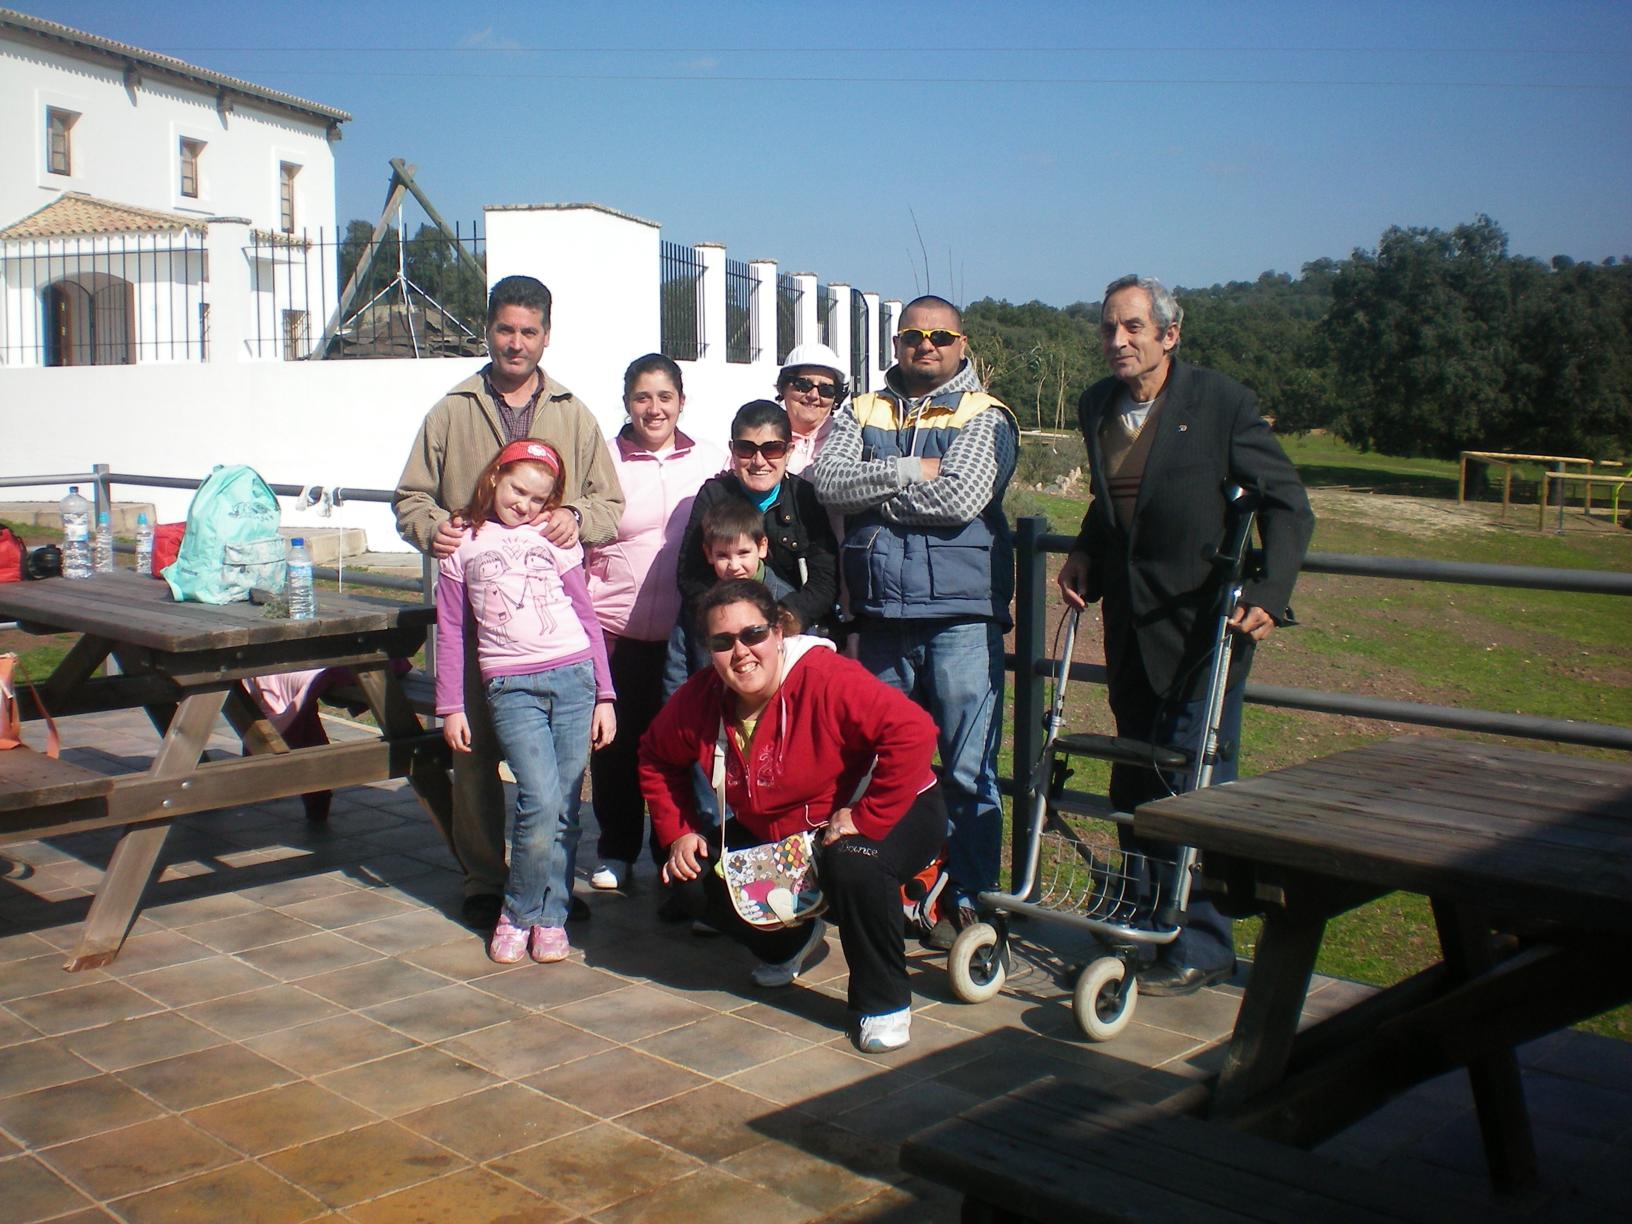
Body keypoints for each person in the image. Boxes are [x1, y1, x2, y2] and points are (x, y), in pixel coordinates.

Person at [1056, 274, 1314, 997]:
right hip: (1131, 627)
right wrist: (1084, 550)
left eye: (1134, 328)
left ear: (1170, 335)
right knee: (1134, 772)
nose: (1119, 341)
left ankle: (1202, 940)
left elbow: (1288, 502)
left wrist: (1271, 590)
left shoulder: (1219, 401)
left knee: (1196, 780)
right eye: (1109, 328)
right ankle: (1141, 913)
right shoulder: (1098, 406)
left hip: (1207, 630)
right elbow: (1114, 511)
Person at [394, 274, 624, 932]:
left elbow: (608, 502)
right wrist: (429, 526)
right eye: (504, 329)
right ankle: (484, 881)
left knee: (553, 770)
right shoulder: (451, 410)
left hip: (552, 634)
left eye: (528, 331)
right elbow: (411, 495)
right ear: (487, 329)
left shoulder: (574, 412)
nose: (515, 343)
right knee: (475, 758)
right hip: (476, 622)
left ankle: (548, 885)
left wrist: (576, 516)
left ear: (546, 335)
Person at [639, 579, 945, 1053]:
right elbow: (655, 757)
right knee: (693, 878)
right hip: (784, 830)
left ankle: (883, 1003)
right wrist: (678, 832)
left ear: (779, 632)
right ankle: (789, 941)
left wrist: (866, 816)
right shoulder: (700, 699)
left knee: (855, 861)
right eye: (722, 643)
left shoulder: (826, 676)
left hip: (894, 806)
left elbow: (915, 732)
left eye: (753, 634)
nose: (741, 652)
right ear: (709, 651)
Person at [811, 295, 1019, 944]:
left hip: (961, 621)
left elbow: (961, 497)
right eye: (913, 336)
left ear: (962, 346)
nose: (925, 346)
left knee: (966, 770)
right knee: (876, 766)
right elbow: (829, 483)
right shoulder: (860, 408)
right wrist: (910, 470)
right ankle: (886, 890)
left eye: (940, 336)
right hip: (880, 621)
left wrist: (880, 496)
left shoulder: (987, 415)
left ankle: (972, 904)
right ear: (896, 344)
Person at [435, 440, 616, 964]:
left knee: (564, 809)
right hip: (510, 686)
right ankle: (517, 911)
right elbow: (451, 631)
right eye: (518, 489)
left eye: (539, 498)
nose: (525, 505)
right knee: (538, 798)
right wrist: (451, 705)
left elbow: (586, 617)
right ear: (494, 477)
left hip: (574, 674)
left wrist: (605, 694)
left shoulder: (553, 539)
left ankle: (552, 917)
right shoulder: (460, 542)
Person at [583, 354, 725, 893]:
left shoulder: (708, 460)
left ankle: (674, 854)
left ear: (681, 401)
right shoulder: (603, 462)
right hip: (615, 631)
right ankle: (616, 849)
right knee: (616, 747)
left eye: (665, 396)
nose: (654, 408)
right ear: (626, 403)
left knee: (680, 748)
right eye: (643, 397)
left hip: (685, 638)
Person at [675, 400, 838, 644]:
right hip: (726, 633)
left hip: (790, 631)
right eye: (746, 449)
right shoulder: (714, 495)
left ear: (789, 451)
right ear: (732, 449)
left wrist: (783, 617)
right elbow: (691, 575)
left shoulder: (804, 497)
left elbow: (825, 580)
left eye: (771, 449)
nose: (759, 461)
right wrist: (733, 621)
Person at [665, 498, 795, 685]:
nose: (734, 566)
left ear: (762, 547)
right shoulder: (699, 602)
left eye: (743, 553)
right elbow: (677, 663)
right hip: (708, 704)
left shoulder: (784, 599)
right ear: (709, 553)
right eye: (723, 555)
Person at [775, 341, 848, 475]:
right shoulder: (763, 436)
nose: (813, 395)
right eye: (803, 385)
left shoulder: (847, 439)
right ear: (783, 388)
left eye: (826, 389)